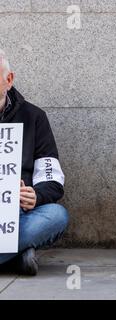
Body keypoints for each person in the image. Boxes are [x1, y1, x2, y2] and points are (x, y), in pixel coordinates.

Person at [0, 50, 69, 276]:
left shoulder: (34, 117)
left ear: (8, 80)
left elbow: (52, 178)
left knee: (56, 215)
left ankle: (10, 252)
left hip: (17, 212)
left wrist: (35, 196)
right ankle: (15, 256)